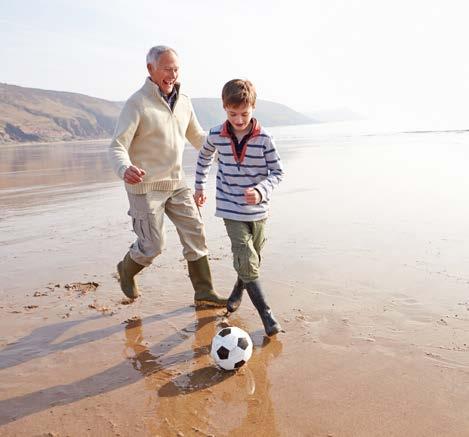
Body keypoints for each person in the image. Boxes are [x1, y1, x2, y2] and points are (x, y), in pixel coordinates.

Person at [108, 45, 227, 308]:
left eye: (175, 69)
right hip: (144, 187)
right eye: (166, 69)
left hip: (176, 183)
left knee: (195, 232)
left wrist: (226, 156)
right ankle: (127, 269)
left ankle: (204, 292)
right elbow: (117, 145)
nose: (172, 74)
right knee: (153, 245)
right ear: (151, 69)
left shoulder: (184, 101)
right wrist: (124, 168)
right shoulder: (136, 103)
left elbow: (198, 137)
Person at [194, 79, 283, 336]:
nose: (239, 119)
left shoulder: (265, 139)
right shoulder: (216, 135)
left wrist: (260, 190)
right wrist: (199, 186)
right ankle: (266, 314)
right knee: (245, 255)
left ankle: (237, 289)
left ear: (253, 108)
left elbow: (277, 172)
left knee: (253, 257)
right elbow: (203, 158)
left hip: (258, 210)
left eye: (244, 113)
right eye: (233, 114)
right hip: (230, 207)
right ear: (224, 108)